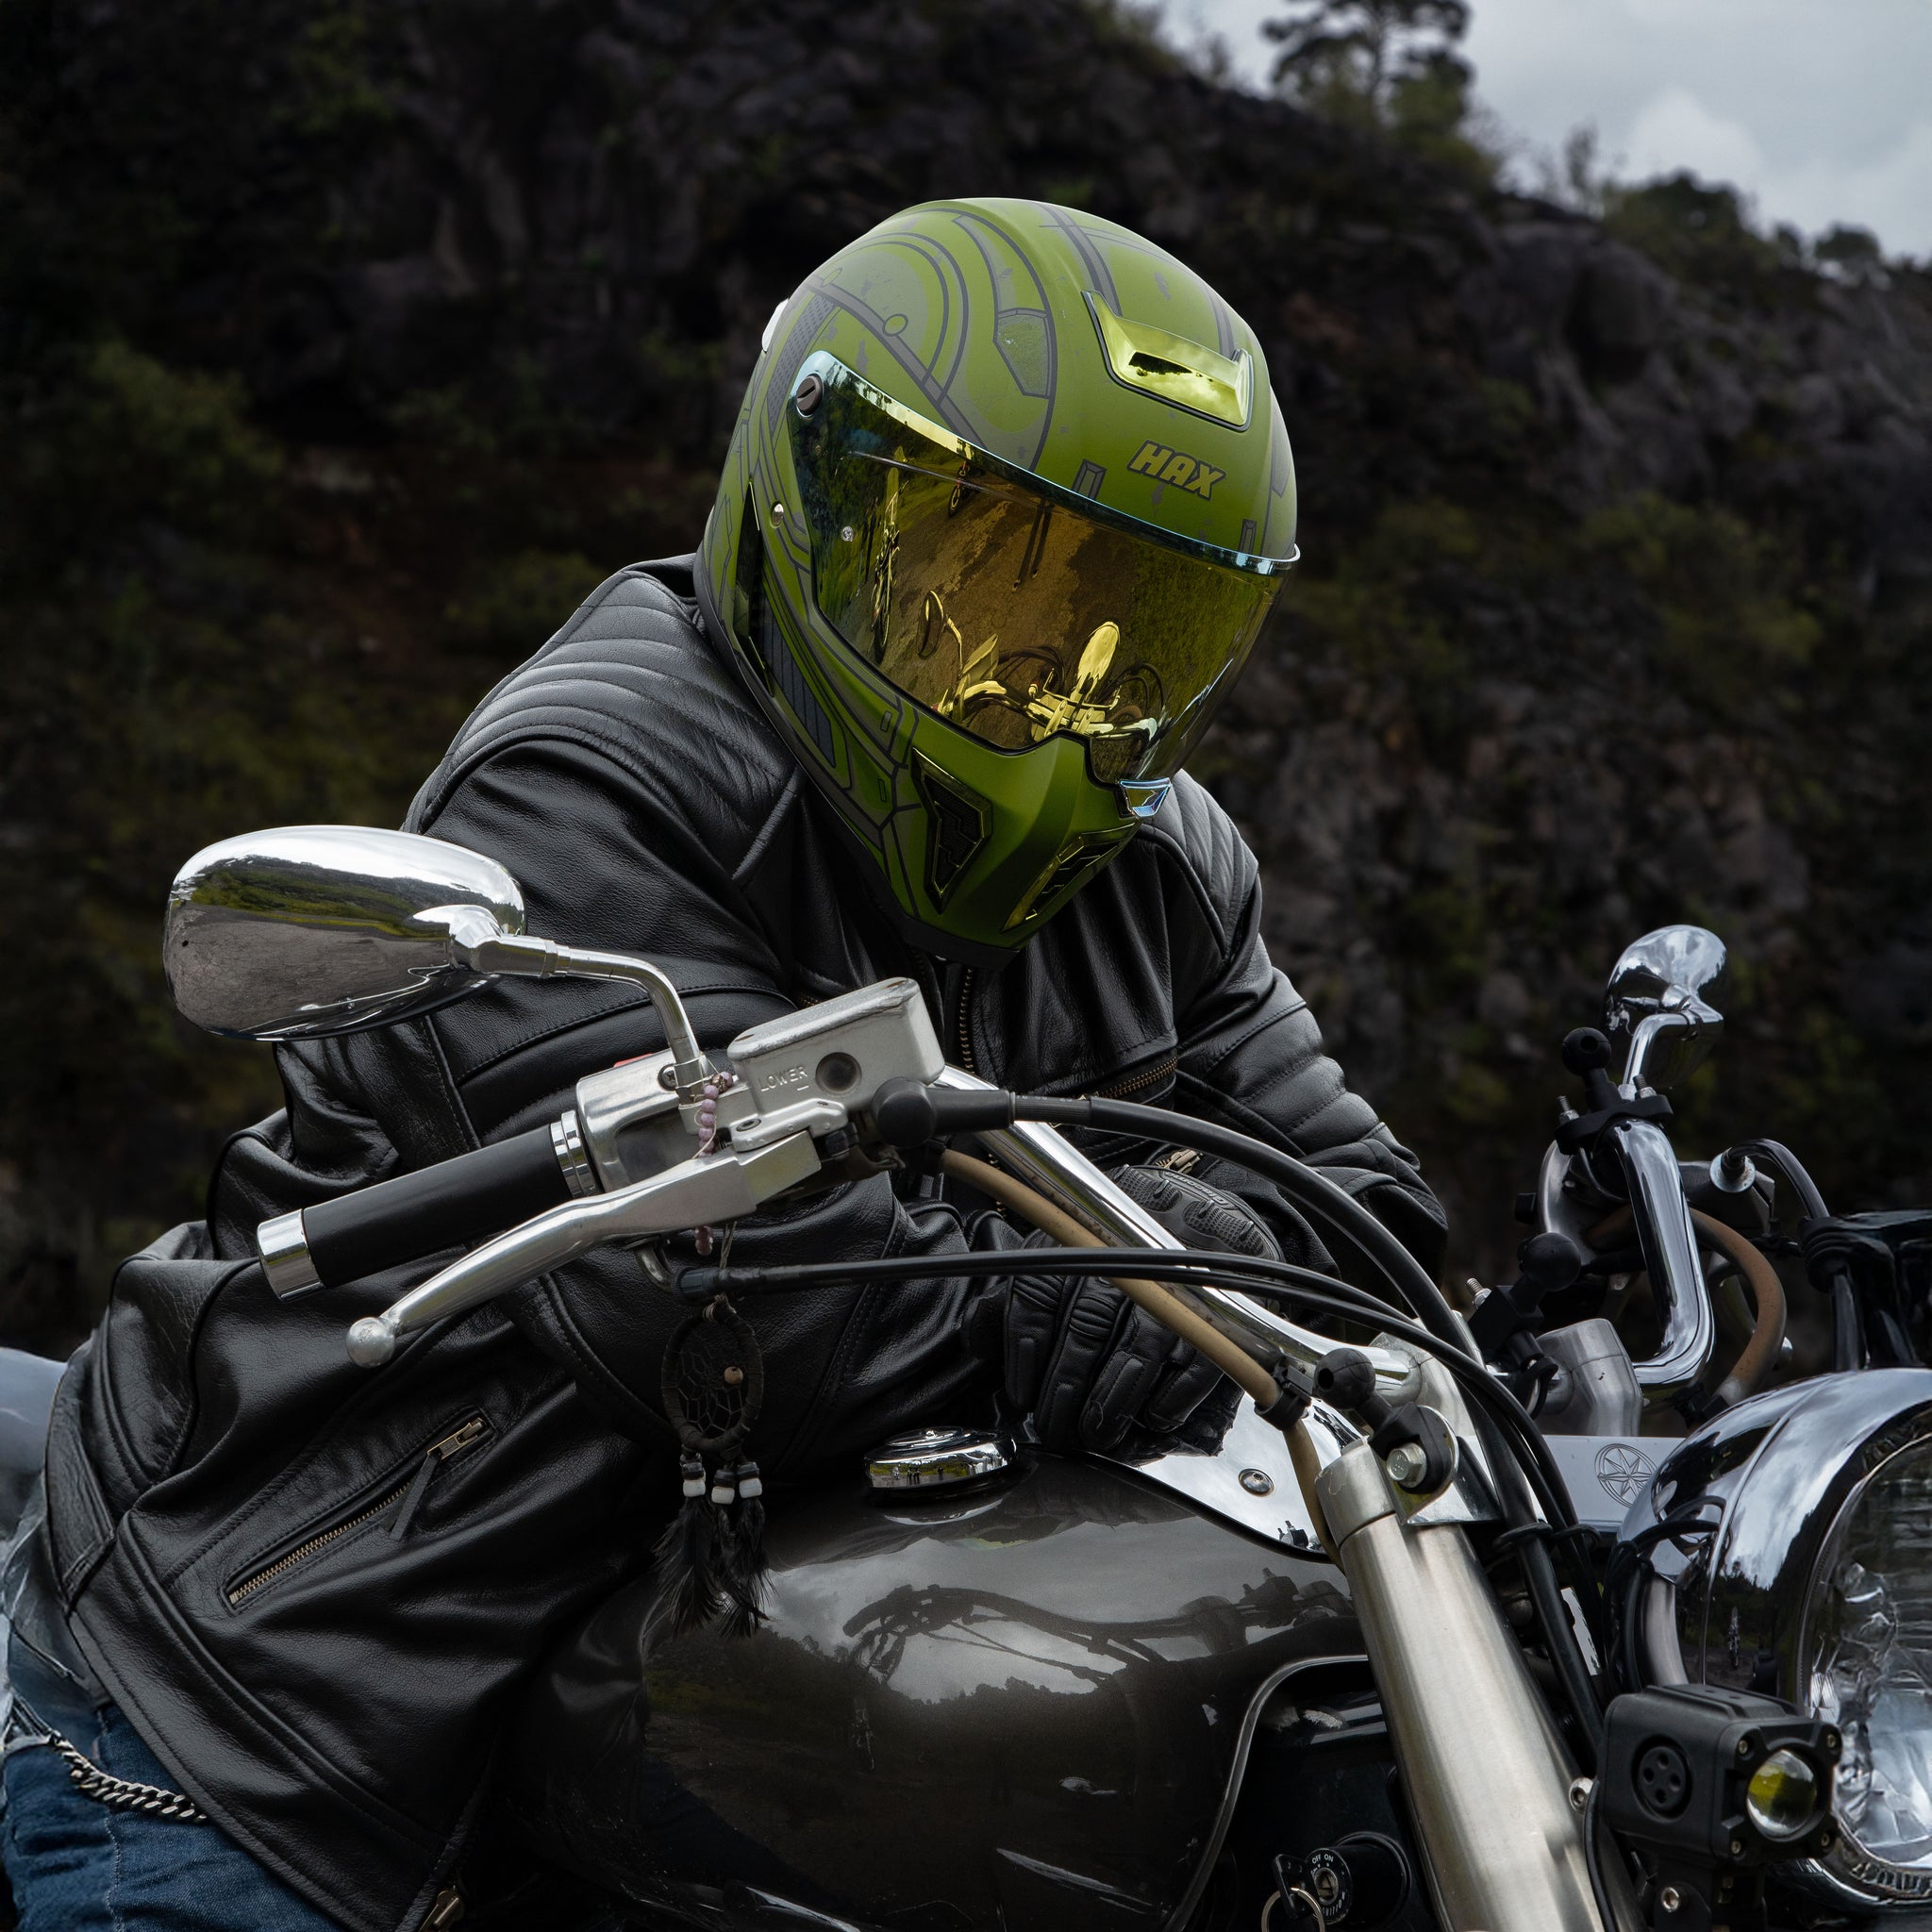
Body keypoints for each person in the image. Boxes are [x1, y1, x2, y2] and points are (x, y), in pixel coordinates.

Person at [0, 198, 1443, 1932]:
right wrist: (1119, 1268)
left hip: (713, 1674)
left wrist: (1195, 1242)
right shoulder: (585, 779)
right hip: (294, 1697)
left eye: (1134, 636)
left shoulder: (1165, 866)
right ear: (816, 503)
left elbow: (1363, 1218)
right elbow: (721, 1293)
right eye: (975, 594)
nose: (1052, 696)